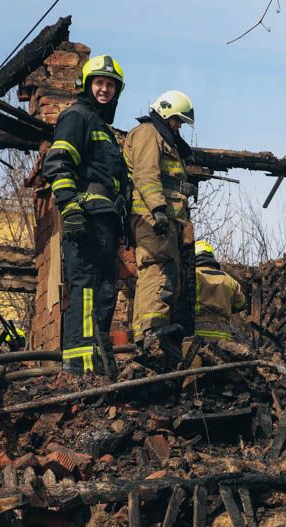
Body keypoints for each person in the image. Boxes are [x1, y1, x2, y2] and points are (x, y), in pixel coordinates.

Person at [41, 54, 128, 376]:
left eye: (110, 85)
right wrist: (70, 207)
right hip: (87, 218)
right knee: (88, 290)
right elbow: (57, 162)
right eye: (99, 83)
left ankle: (100, 365)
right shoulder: (76, 116)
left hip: (105, 220)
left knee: (105, 292)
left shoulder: (101, 127)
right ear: (87, 85)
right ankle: (80, 369)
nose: (104, 89)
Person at [124, 89, 195, 368]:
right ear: (166, 112)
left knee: (165, 272)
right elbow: (145, 174)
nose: (178, 126)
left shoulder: (163, 136)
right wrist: (158, 209)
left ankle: (151, 331)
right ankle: (151, 330)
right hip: (153, 218)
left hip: (166, 220)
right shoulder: (147, 133)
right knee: (157, 269)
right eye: (177, 119)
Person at [191, 240, 247, 342]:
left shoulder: (193, 276)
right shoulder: (229, 280)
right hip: (223, 338)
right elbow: (241, 304)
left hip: (198, 337)